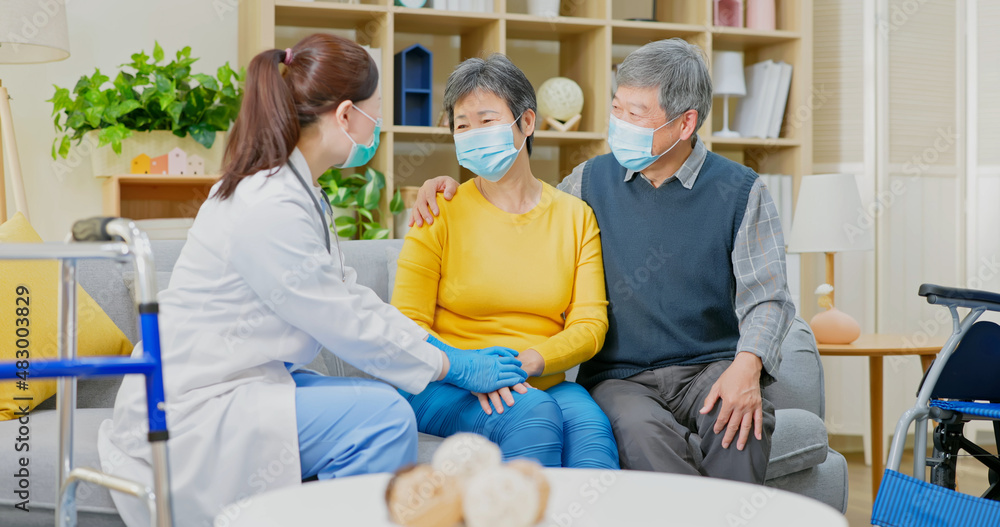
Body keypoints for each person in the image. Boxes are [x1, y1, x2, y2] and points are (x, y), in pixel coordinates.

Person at [97, 34, 527, 527]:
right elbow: (341, 320)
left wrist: (438, 351)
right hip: (193, 407)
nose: (377, 128)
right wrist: (452, 364)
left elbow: (349, 297)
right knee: (383, 419)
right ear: (345, 116)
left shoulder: (296, 191)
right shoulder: (269, 203)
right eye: (375, 113)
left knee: (367, 407)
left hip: (235, 380)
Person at [409, 38, 794, 484]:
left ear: (685, 122)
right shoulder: (587, 183)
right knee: (639, 435)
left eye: (635, 114)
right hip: (622, 378)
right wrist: (442, 185)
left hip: (711, 367)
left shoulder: (741, 190)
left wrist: (747, 367)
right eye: (617, 108)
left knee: (739, 424)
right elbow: (521, 203)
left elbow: (768, 297)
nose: (620, 123)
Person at [391, 54, 619, 469]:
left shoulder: (574, 216)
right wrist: (469, 370)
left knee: (592, 439)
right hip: (444, 380)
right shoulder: (438, 211)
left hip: (539, 376)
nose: (473, 133)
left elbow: (590, 325)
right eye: (462, 125)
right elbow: (406, 326)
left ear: (527, 122)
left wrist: (529, 362)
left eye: (487, 120)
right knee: (533, 416)